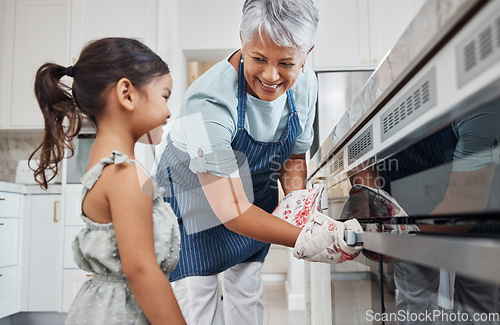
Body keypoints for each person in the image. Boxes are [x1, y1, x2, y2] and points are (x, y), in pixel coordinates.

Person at [156, 0, 362, 324]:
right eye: (259, 58)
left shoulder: (306, 85)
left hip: (251, 198)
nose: (270, 75)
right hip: (192, 209)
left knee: (247, 299)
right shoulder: (205, 101)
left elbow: (294, 155)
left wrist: (298, 206)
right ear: (242, 38)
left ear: (307, 53)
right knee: (198, 308)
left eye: (286, 63)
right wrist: (304, 237)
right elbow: (231, 208)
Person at [30, 37, 186, 325]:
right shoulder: (125, 175)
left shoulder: (104, 166)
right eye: (165, 96)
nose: (169, 111)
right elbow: (142, 272)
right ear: (127, 93)